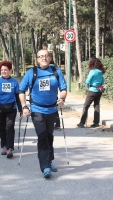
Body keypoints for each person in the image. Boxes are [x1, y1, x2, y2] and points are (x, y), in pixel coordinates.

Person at [19, 49, 67, 178]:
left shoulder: (56, 72)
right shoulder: (31, 73)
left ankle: (49, 160)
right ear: (37, 59)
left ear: (50, 58)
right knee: (42, 136)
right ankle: (45, 166)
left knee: (49, 135)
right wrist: (24, 106)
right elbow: (21, 90)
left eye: (46, 56)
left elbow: (63, 89)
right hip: (37, 110)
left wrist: (62, 99)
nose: (44, 58)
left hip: (52, 110)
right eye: (41, 56)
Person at [0, 61, 22, 158]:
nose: (3, 71)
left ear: (10, 70)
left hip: (12, 107)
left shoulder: (14, 82)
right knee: (2, 127)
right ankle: (3, 145)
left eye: (6, 70)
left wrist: (21, 110)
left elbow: (18, 96)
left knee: (10, 127)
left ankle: (10, 148)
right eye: (2, 70)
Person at [77, 58, 105, 128]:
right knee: (96, 106)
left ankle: (82, 123)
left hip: (92, 90)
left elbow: (87, 81)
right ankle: (96, 122)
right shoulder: (100, 72)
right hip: (99, 90)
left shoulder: (92, 71)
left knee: (86, 106)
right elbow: (103, 81)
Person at [49, 60, 61, 131]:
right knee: (55, 110)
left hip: (46, 94)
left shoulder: (44, 70)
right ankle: (58, 124)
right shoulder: (56, 70)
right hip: (54, 94)